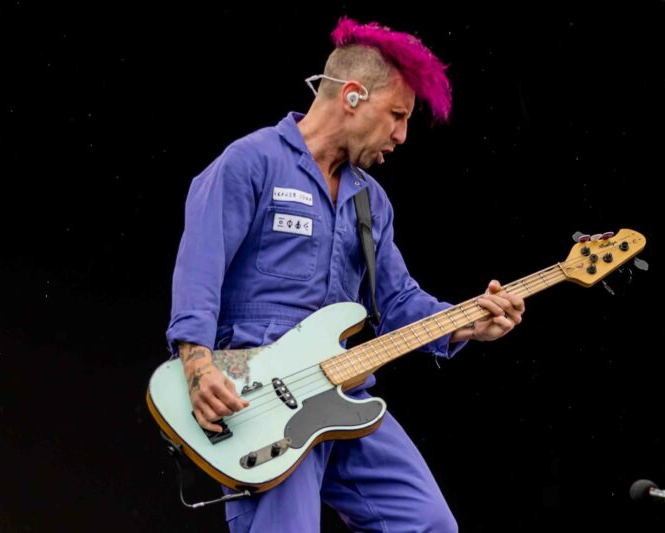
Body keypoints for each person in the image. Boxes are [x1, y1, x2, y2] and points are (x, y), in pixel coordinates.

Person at [165, 16, 525, 533]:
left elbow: (399, 302)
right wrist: (197, 364)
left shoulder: (371, 201)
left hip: (342, 388)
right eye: (397, 115)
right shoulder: (251, 161)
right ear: (353, 95)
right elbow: (200, 267)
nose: (402, 135)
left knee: (428, 523)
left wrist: (469, 323)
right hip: (259, 395)